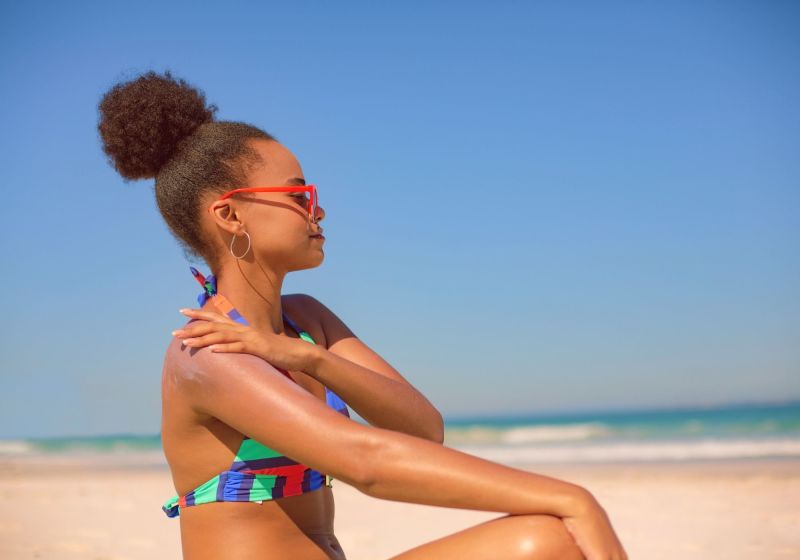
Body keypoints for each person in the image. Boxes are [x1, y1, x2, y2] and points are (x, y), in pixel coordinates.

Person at [97, 69, 628, 560]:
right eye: (298, 194)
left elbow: (423, 431)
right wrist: (572, 496)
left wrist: (312, 360)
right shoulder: (208, 349)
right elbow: (365, 463)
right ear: (231, 215)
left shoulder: (307, 322)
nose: (317, 209)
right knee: (554, 532)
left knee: (548, 539)